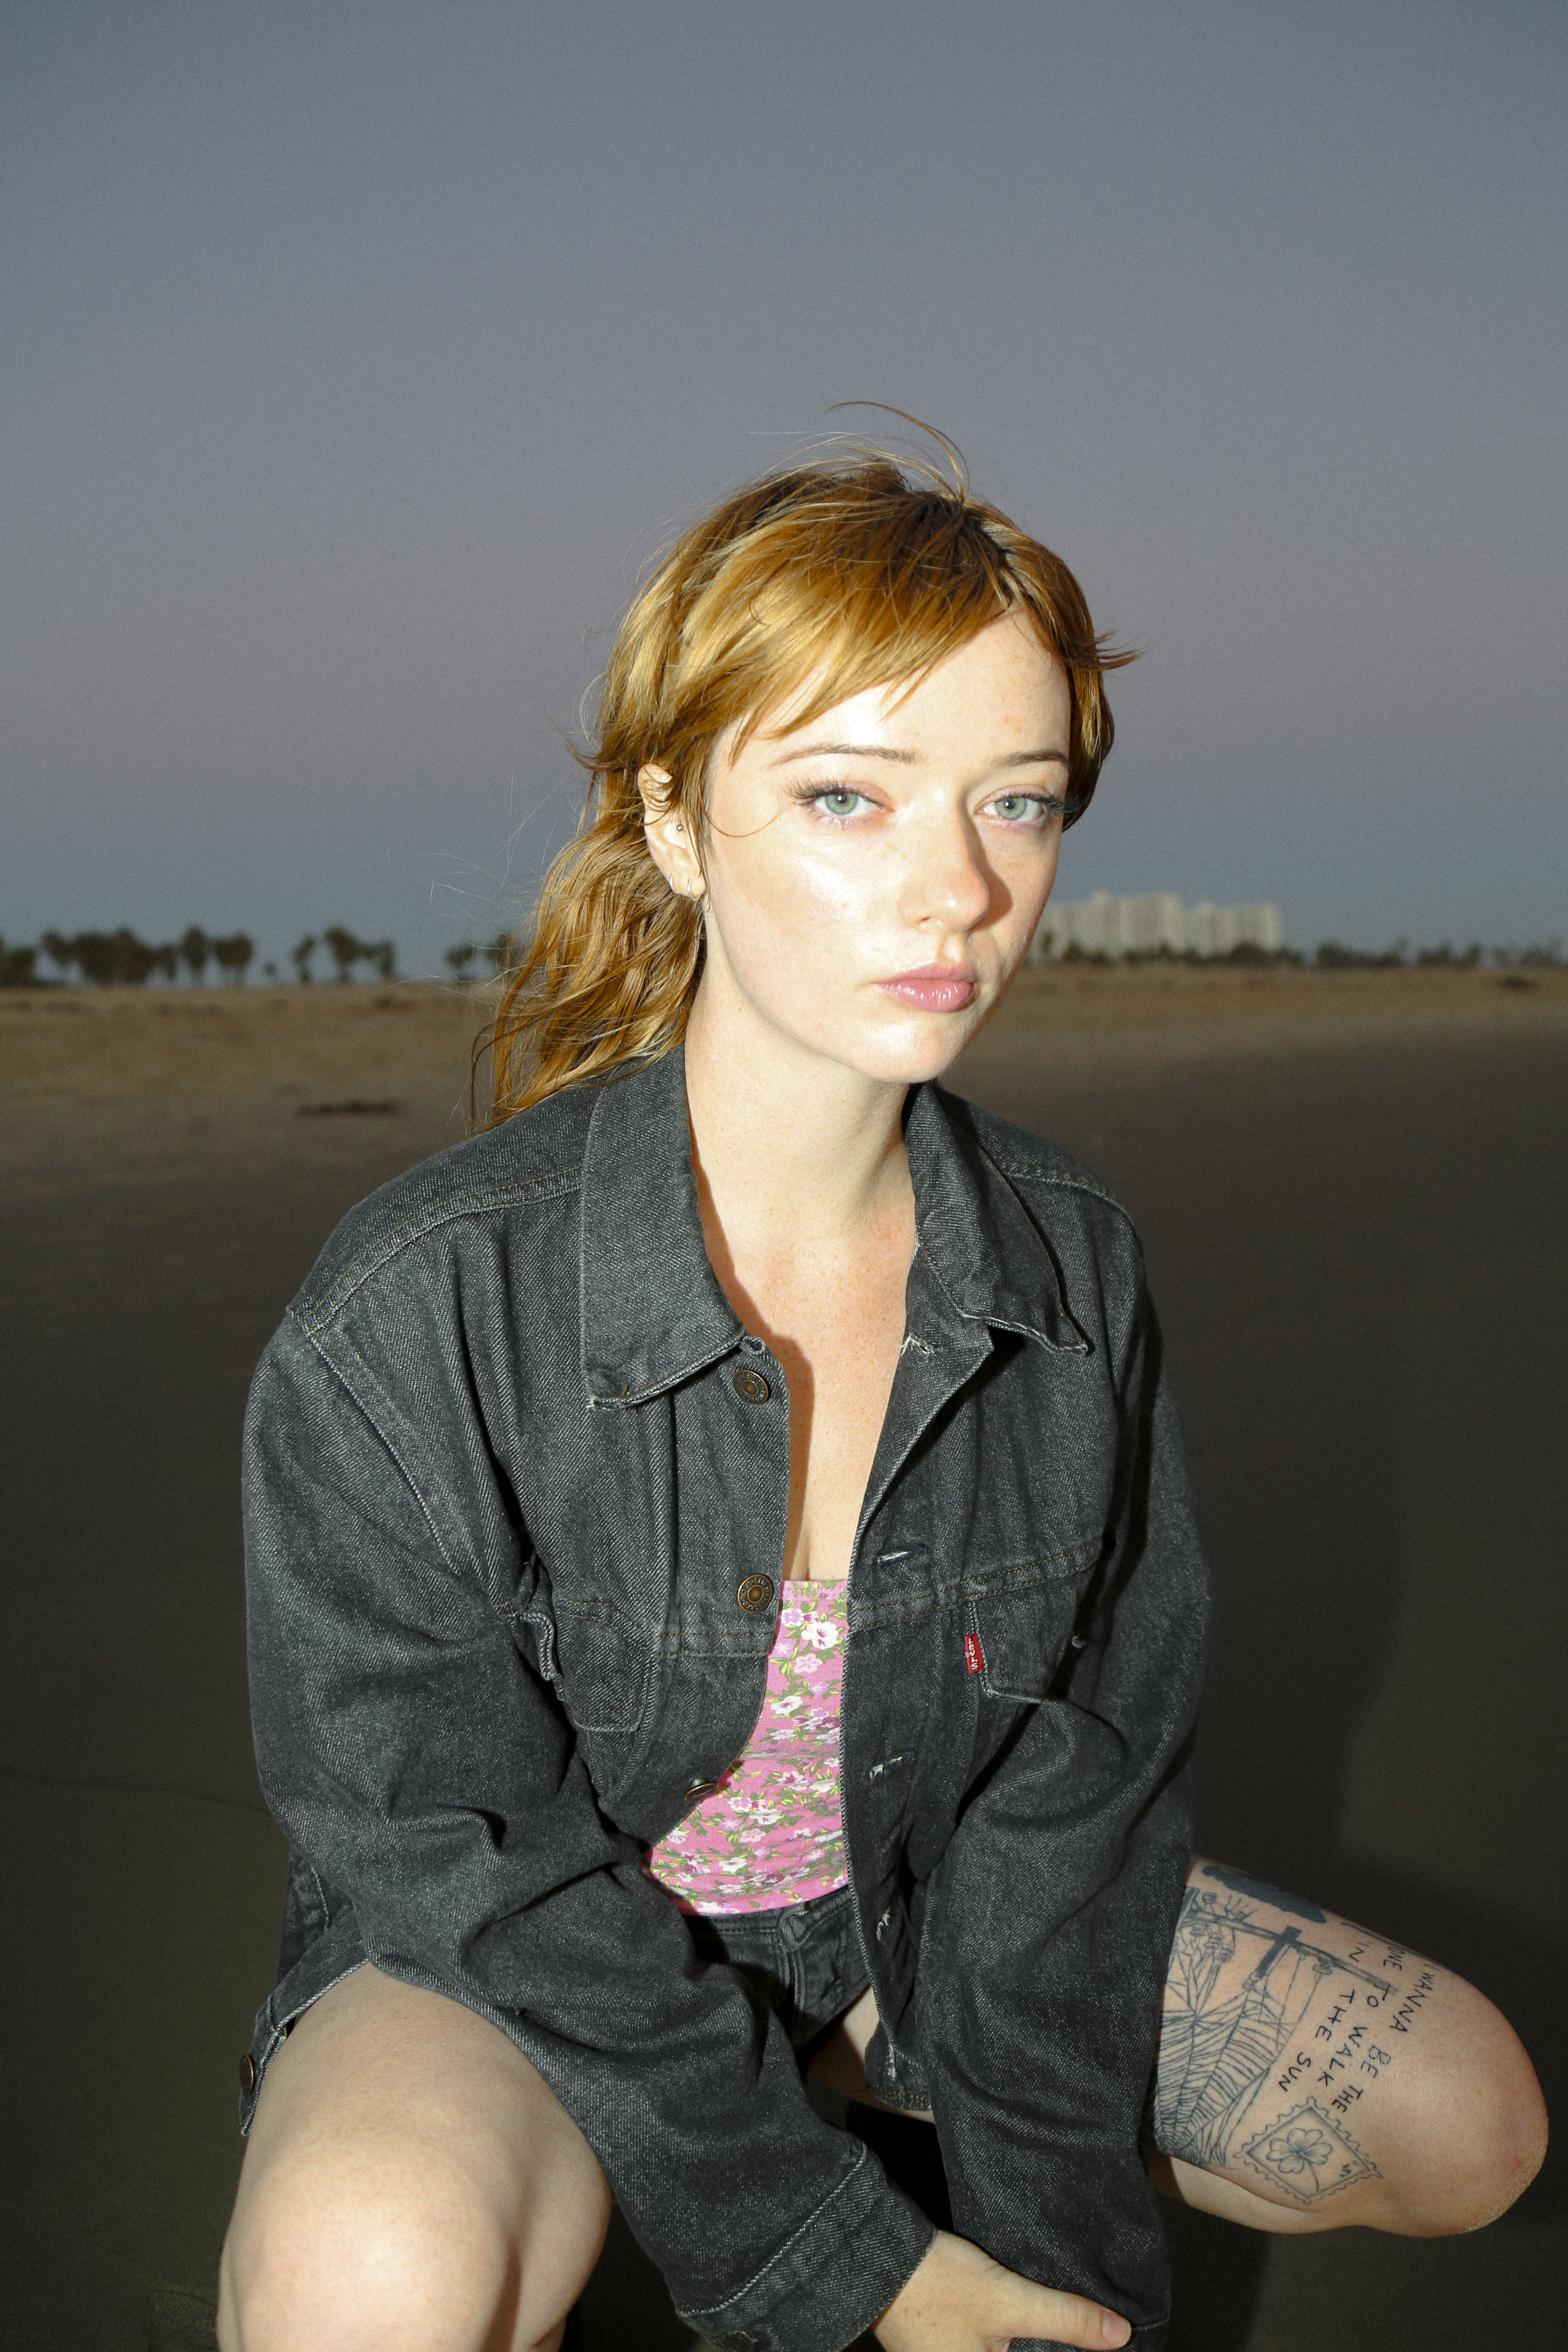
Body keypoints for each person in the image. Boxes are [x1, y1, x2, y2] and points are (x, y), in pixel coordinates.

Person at [219, 448, 1546, 2352]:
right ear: (673, 817)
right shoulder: (422, 1307)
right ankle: (674, 2142)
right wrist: (852, 2263)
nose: (961, 887)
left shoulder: (1068, 1276)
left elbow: (1069, 1805)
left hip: (895, 1915)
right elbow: (450, 1849)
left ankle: (838, 2071)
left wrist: (1047, 2285)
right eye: (850, 795)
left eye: (1020, 801)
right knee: (370, 2272)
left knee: (1467, 2120)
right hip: (532, 1959)